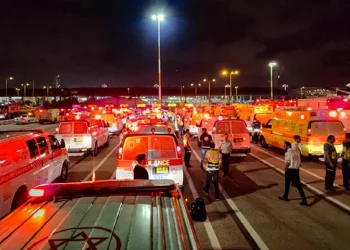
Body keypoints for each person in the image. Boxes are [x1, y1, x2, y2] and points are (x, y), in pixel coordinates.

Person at [279, 141, 308, 206]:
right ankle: (286, 196)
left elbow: (288, 162)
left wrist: (285, 168)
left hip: (290, 170)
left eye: (285, 145)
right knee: (297, 185)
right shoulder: (296, 152)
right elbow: (300, 162)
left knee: (287, 184)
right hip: (296, 170)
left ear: (288, 146)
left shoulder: (287, 152)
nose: (284, 147)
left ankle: (286, 197)